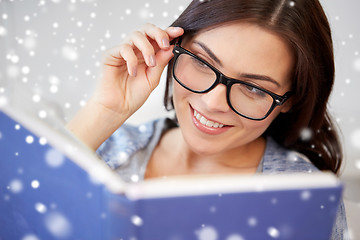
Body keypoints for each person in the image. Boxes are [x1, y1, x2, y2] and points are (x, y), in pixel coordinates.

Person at [67, 0, 348, 238]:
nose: (213, 103)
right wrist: (105, 111)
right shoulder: (103, 148)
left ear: (290, 101)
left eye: (253, 88)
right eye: (202, 62)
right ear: (173, 48)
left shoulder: (304, 198)